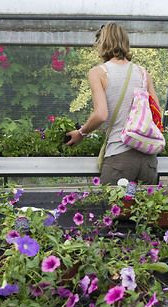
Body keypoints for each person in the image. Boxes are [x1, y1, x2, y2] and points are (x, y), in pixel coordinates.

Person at [65, 23, 161, 185]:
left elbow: (101, 114)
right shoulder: (143, 73)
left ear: (103, 43)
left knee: (112, 209)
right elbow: (157, 112)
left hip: (119, 157)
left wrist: (81, 133)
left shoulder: (99, 72)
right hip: (148, 159)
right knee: (145, 210)